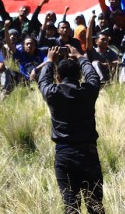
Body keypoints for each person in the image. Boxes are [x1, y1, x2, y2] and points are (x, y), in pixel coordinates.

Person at [37, 45, 104, 214]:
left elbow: (43, 81)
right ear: (80, 76)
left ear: (58, 77)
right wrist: (81, 57)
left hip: (64, 154)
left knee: (71, 206)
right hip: (88, 152)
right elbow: (94, 77)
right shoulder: (87, 92)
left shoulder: (53, 93)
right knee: (95, 206)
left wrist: (49, 61)